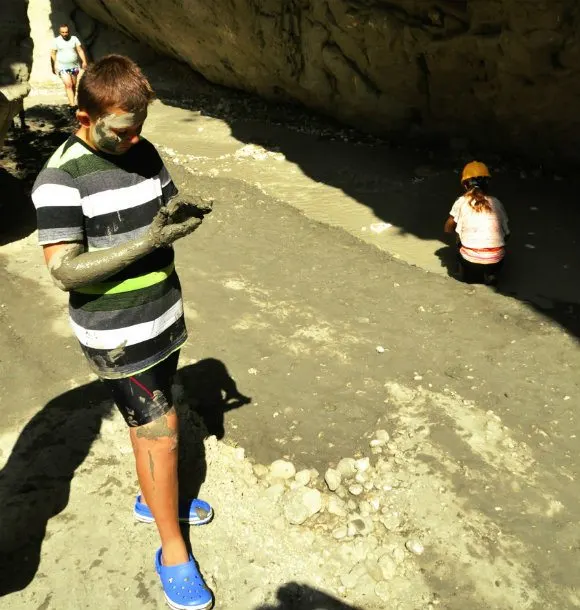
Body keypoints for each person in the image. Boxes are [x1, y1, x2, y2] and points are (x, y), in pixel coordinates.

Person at [32, 55, 214, 610]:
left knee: (156, 422)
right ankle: (172, 549)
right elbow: (64, 268)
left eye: (139, 126)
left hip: (162, 312)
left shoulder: (144, 150)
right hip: (115, 330)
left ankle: (153, 500)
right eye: (120, 129)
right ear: (82, 115)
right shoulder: (58, 179)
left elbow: (162, 209)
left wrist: (180, 216)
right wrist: (148, 241)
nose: (133, 138)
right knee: (160, 429)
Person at [444, 161, 510, 285]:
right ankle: (491, 273)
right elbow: (507, 234)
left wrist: (458, 236)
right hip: (496, 260)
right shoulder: (497, 203)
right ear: (488, 183)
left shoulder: (461, 202)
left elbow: (447, 228)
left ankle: (466, 274)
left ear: (465, 185)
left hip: (470, 260)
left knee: (459, 235)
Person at [50, 23, 88, 109]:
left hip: (74, 66)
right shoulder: (56, 41)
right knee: (68, 85)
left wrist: (84, 61)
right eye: (62, 32)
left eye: (66, 32)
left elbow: (80, 50)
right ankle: (72, 105)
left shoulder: (74, 39)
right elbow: (52, 53)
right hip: (62, 67)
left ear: (69, 31)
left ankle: (72, 100)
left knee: (74, 85)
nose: (64, 34)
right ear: (59, 32)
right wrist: (53, 65)